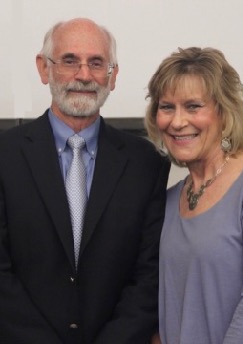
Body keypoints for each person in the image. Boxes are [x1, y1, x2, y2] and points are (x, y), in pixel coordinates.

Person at [0, 18, 170, 344]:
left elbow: (150, 276)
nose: (83, 75)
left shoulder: (146, 163)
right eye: (69, 61)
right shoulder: (5, 156)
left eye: (96, 63)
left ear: (113, 75)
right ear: (43, 68)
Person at [144, 47, 243, 343]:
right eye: (167, 107)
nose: (177, 122)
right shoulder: (168, 200)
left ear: (223, 111)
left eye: (193, 106)